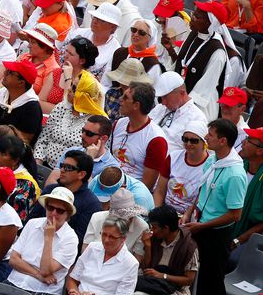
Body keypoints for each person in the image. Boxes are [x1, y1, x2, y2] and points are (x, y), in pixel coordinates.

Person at [181, 119, 246, 295]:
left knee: (211, 281)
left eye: (210, 135)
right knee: (196, 273)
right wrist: (188, 213)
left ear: (223, 141)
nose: (206, 137)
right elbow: (202, 190)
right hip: (199, 224)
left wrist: (203, 226)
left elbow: (235, 215)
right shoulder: (213, 161)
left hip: (216, 234)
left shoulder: (235, 174)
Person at [35, 37, 105, 167]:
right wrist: (38, 164)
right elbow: (40, 103)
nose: (65, 55)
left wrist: (68, 79)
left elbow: (66, 103)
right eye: (66, 51)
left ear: (82, 60)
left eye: (71, 54)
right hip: (46, 159)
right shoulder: (56, 75)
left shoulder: (89, 84)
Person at [6, 186, 80, 294]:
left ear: (67, 214)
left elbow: (46, 271)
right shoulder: (32, 223)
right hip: (14, 282)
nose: (53, 213)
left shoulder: (71, 238)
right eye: (50, 208)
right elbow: (13, 259)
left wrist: (48, 238)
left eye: (59, 210)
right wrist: (37, 275)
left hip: (41, 291)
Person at [230, 126, 263, 263]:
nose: (243, 142)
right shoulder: (237, 166)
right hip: (231, 224)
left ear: (260, 151)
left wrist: (237, 240)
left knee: (231, 259)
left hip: (257, 235)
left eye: (248, 140)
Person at [111, 82, 168, 190]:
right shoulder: (119, 124)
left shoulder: (156, 140)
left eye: (125, 97)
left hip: (132, 194)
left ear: (136, 105)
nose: (120, 99)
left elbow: (146, 187)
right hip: (109, 183)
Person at [67, 216, 140, 295]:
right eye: (104, 234)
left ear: (123, 239)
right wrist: (74, 292)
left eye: (112, 237)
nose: (106, 240)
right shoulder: (92, 248)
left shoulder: (131, 263)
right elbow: (72, 279)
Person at [138, 205, 199, 295]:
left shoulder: (189, 246)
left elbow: (188, 280)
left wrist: (163, 276)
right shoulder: (154, 238)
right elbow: (145, 268)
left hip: (175, 289)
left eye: (154, 227)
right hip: (151, 283)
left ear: (166, 228)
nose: (152, 230)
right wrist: (147, 246)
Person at [156, 121, 211, 214]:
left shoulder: (210, 166)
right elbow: (160, 191)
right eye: (185, 139)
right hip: (164, 211)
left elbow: (201, 201)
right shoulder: (173, 157)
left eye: (194, 141)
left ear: (204, 143)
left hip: (188, 218)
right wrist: (156, 212)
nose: (188, 144)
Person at [83, 187, 149, 258]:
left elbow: (137, 258)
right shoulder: (96, 217)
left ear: (132, 216)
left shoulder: (142, 227)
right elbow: (85, 249)